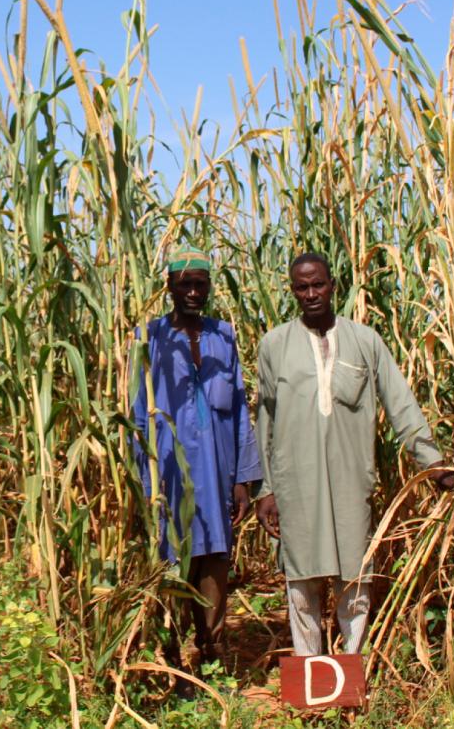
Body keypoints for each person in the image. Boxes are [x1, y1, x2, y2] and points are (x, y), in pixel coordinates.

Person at [254, 251, 454, 657]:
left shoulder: (365, 341)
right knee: (302, 581)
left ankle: (352, 665)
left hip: (351, 482)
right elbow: (265, 422)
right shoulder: (274, 345)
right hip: (297, 485)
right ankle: (309, 667)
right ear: (293, 290)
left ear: (332, 285)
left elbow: (401, 404)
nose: (311, 293)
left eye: (318, 284)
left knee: (355, 576)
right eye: (302, 286)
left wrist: (433, 465)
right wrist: (265, 490)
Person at [132, 246, 263, 672]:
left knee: (216, 558)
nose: (192, 292)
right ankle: (174, 657)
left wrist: (243, 478)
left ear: (209, 288)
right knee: (174, 558)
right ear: (169, 287)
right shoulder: (149, 337)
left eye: (200, 284)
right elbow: (138, 412)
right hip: (170, 469)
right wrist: (147, 484)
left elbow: (239, 407)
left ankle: (212, 649)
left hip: (218, 466)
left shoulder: (222, 335)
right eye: (184, 284)